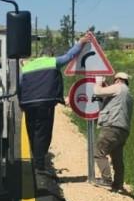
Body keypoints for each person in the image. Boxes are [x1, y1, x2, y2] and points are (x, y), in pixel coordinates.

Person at [19, 32, 92, 172]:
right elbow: (69, 56)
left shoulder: (27, 66)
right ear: (51, 55)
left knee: (32, 130)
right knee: (42, 133)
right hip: (44, 103)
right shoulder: (53, 62)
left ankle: (37, 159)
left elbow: (20, 85)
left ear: (40, 55)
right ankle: (39, 166)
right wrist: (81, 43)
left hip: (28, 102)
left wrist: (21, 103)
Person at [93, 71, 134, 191]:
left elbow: (98, 92)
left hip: (111, 127)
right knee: (117, 158)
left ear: (117, 80)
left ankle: (106, 179)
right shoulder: (129, 94)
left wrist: (98, 81)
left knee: (99, 152)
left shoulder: (118, 87)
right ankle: (118, 184)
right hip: (123, 130)